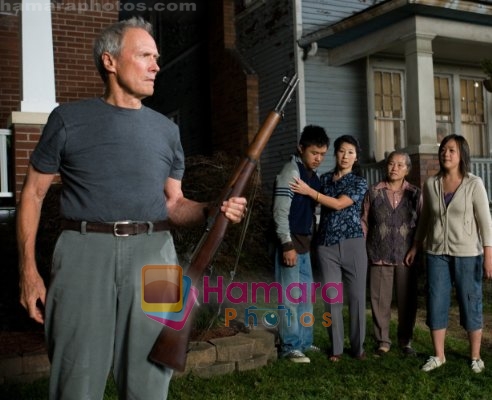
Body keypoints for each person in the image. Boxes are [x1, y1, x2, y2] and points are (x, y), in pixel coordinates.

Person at [16, 17, 247, 400]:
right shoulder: (67, 120)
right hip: (83, 253)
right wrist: (28, 270)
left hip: (155, 254)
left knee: (150, 380)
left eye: (157, 57)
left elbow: (173, 204)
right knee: (77, 379)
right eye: (145, 56)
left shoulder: (166, 131)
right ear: (110, 61)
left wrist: (211, 209)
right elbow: (33, 195)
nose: (156, 65)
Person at [405, 134, 492, 373]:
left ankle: (475, 357)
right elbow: (425, 219)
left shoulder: (474, 184)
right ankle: (439, 355)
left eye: (451, 150)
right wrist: (416, 245)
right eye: (443, 149)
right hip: (436, 253)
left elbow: (485, 223)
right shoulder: (431, 184)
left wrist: (488, 256)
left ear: (462, 154)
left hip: (467, 254)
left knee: (470, 302)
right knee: (436, 302)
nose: (446, 153)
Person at [290, 134, 368, 361]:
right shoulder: (323, 179)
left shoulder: (359, 182)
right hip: (326, 246)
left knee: (356, 298)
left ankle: (358, 347)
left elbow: (338, 204)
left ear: (356, 157)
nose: (345, 156)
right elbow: (308, 202)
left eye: (351, 152)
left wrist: (309, 192)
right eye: (342, 151)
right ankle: (336, 349)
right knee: (332, 299)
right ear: (335, 153)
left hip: (353, 244)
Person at [272, 125, 329, 363]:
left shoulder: (312, 178)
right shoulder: (291, 171)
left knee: (306, 297)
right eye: (314, 153)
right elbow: (280, 211)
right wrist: (286, 244)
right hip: (291, 243)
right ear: (301, 148)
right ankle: (290, 346)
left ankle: (304, 342)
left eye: (322, 154)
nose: (318, 158)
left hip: (305, 244)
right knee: (290, 297)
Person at [361, 151, 421, 357]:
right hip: (379, 251)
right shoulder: (374, 192)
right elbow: (364, 222)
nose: (394, 168)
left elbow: (421, 225)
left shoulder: (415, 194)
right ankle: (383, 341)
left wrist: (415, 248)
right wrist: (363, 248)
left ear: (407, 170)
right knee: (379, 300)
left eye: (400, 165)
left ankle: (405, 341)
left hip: (407, 255)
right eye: (391, 164)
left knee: (407, 300)